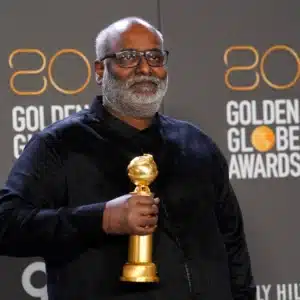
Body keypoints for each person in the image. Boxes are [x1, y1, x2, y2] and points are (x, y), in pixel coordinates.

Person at [0, 17, 256, 300]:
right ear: (100, 70)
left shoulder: (196, 144)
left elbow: (233, 246)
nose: (145, 68)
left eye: (154, 57)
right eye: (128, 57)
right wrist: (102, 219)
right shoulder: (58, 145)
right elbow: (7, 224)